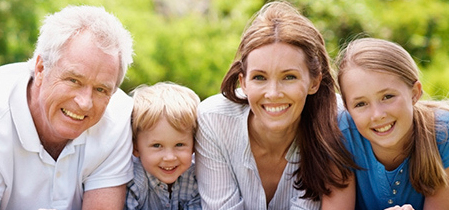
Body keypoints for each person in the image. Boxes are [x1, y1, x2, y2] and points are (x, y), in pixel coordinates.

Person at [0, 5, 134, 210]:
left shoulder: (118, 117)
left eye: (101, 90)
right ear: (40, 69)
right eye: (74, 80)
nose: (85, 103)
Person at [194, 1, 357, 209]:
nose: (273, 94)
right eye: (260, 78)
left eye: (289, 77)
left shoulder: (337, 121)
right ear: (243, 82)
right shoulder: (214, 120)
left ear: (314, 82)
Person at [321, 38, 449, 210]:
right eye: (360, 104)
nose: (377, 115)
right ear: (347, 109)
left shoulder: (443, 134)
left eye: (387, 97)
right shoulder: (341, 136)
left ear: (415, 93)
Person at [126, 82, 201, 210]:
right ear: (136, 148)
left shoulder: (195, 177)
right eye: (157, 145)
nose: (169, 157)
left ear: (194, 145)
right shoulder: (132, 181)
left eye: (179, 144)